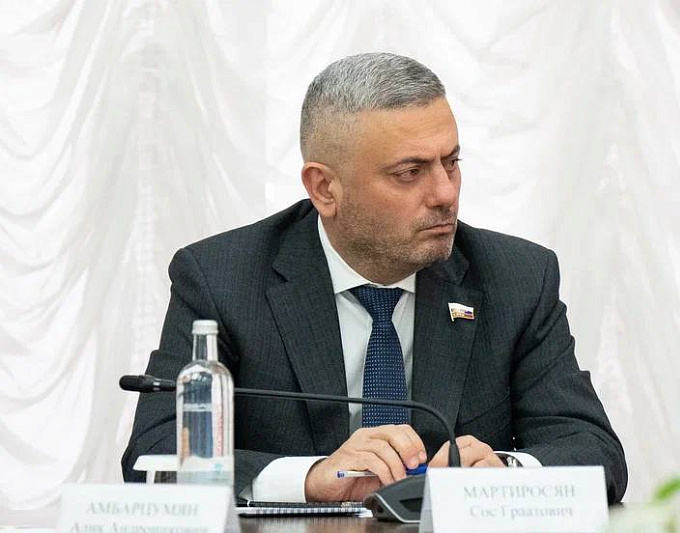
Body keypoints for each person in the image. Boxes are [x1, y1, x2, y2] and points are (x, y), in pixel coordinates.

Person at [122, 52, 627, 504]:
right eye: (410, 172)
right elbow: (154, 456)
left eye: (451, 163)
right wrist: (310, 478)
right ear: (324, 188)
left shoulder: (515, 278)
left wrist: (506, 472)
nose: (445, 193)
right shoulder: (223, 278)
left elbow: (593, 450)